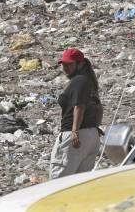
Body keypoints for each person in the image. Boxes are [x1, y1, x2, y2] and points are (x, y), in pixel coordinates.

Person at [50, 48, 103, 179]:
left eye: (69, 64)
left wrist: (75, 131)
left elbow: (79, 106)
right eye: (64, 64)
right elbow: (99, 107)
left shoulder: (79, 81)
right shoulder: (89, 81)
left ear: (80, 64)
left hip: (74, 137)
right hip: (91, 136)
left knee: (58, 182)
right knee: (79, 182)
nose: (65, 68)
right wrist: (95, 127)